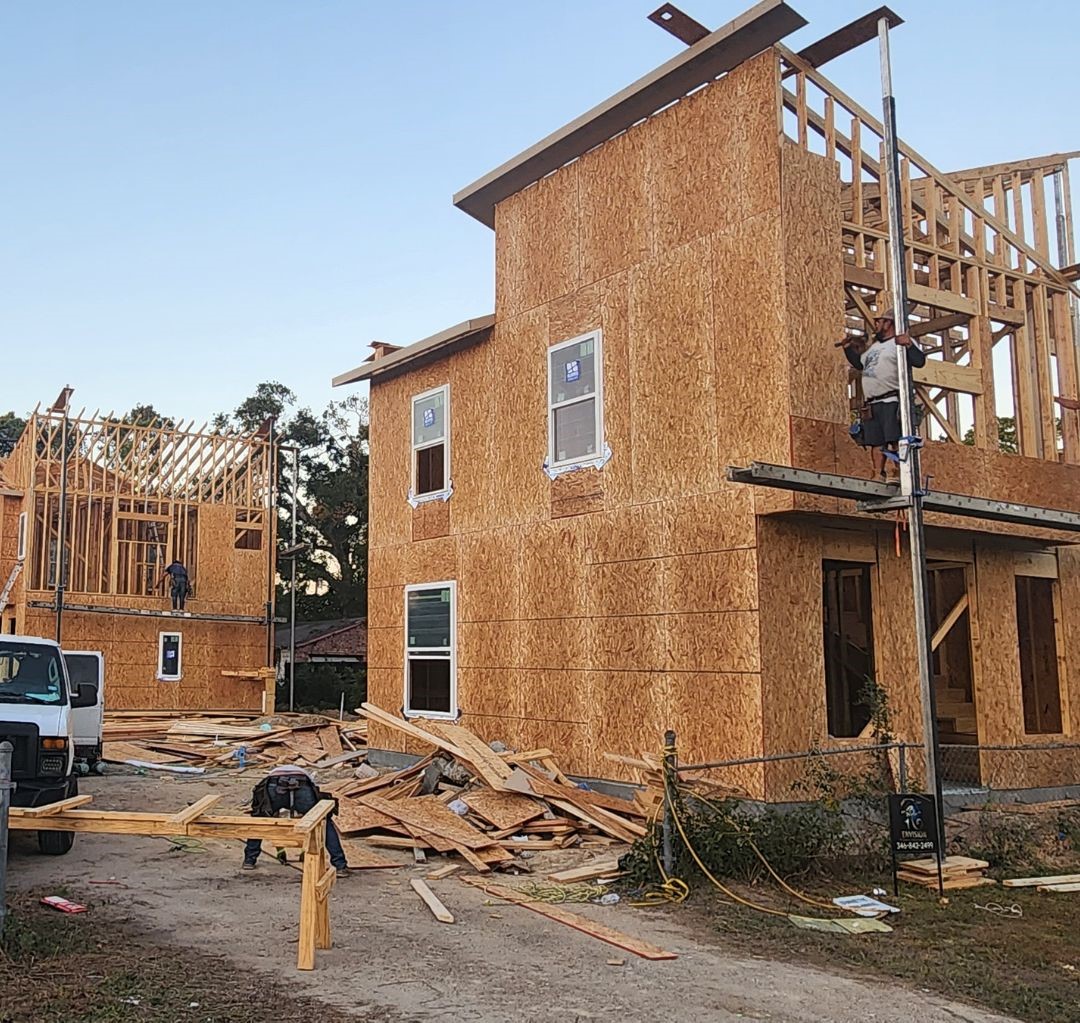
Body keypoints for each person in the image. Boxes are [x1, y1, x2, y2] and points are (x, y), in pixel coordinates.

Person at [841, 307, 926, 484]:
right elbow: (860, 364)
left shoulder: (899, 342)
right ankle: (878, 474)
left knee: (894, 438)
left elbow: (919, 361)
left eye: (879, 322)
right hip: (873, 403)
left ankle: (897, 472)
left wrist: (908, 345)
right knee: (875, 441)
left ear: (889, 323)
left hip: (891, 399)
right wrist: (848, 349)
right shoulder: (875, 348)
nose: (876, 325)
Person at [242, 765, 349, 878]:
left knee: (260, 819)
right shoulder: (305, 774)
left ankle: (249, 860)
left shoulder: (273, 773)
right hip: (302, 784)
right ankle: (340, 865)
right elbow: (314, 790)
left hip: (275, 784)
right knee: (323, 821)